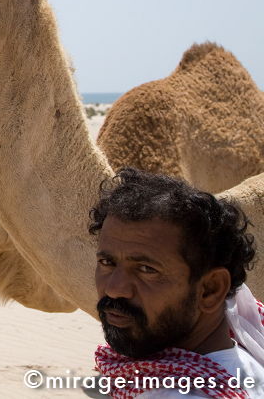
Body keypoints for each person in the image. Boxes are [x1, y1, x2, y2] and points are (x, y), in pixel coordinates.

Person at [91, 167, 264, 398]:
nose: (114, 289)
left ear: (210, 290)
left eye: (146, 269)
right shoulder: (245, 356)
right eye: (107, 262)